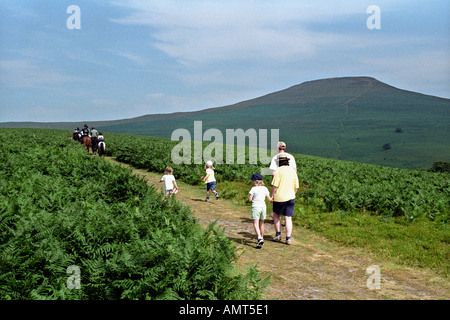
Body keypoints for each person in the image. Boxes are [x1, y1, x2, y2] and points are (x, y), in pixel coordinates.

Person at [271, 153, 299, 245]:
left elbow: (275, 186)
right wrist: (293, 194)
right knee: (288, 218)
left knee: (276, 215)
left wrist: (272, 196)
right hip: (291, 197)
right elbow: (296, 187)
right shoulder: (292, 171)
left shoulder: (278, 170)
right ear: (287, 162)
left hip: (279, 197)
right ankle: (288, 238)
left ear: (279, 162)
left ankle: (278, 234)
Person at [248, 173, 273, 249]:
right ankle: (262, 237)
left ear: (256, 181)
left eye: (253, 180)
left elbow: (250, 199)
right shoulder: (265, 188)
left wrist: (250, 196)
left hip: (256, 206)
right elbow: (269, 199)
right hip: (263, 207)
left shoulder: (253, 188)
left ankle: (259, 238)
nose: (252, 181)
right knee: (261, 223)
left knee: (255, 223)